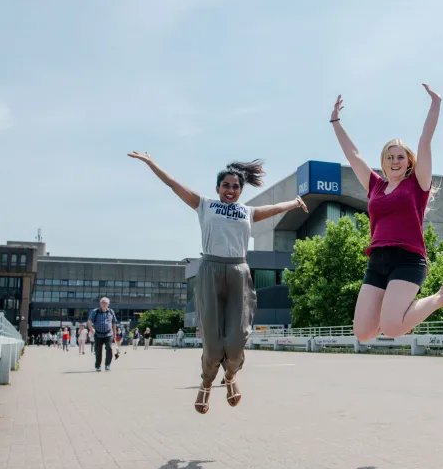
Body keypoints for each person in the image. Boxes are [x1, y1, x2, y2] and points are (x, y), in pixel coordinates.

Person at [128, 152, 308, 414]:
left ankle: (231, 376)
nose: (230, 190)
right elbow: (173, 184)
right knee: (212, 343)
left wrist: (293, 203)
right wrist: (151, 163)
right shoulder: (204, 205)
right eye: (226, 185)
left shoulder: (247, 212)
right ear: (217, 188)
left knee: (236, 342)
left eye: (235, 186)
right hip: (210, 270)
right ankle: (206, 384)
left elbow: (273, 209)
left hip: (238, 272)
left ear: (240, 190)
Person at [329, 85, 443, 344]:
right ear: (383, 162)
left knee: (393, 328)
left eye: (400, 157)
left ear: (408, 161)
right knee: (363, 333)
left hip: (408, 259)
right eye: (389, 157)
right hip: (377, 260)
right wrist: (336, 122)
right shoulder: (375, 185)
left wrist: (435, 105)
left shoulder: (417, 184)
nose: (395, 161)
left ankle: (441, 297)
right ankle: (399, 318)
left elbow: (425, 142)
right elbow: (353, 155)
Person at [88, 297, 118, 372]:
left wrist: (114, 333)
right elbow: (89, 321)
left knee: (109, 348)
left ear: (108, 304)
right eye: (103, 303)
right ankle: (98, 366)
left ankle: (107, 365)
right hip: (98, 334)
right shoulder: (95, 311)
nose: (104, 304)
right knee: (98, 350)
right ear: (100, 304)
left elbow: (114, 322)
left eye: (106, 303)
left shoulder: (111, 311)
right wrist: (91, 329)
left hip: (108, 333)